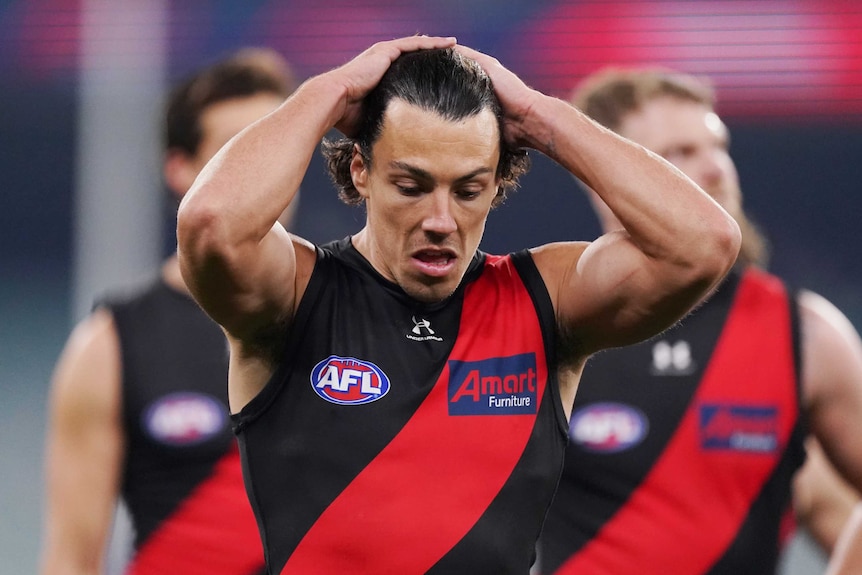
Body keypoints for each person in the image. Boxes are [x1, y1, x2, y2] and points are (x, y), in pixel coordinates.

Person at [175, 35, 740, 574]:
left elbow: (703, 244)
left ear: (497, 185)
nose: (440, 221)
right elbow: (210, 224)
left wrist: (544, 120)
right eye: (412, 186)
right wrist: (331, 95)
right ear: (360, 170)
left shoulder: (546, 301)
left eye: (468, 190)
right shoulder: (295, 295)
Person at [537, 67, 862, 575]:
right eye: (680, 154)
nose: (715, 169)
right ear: (605, 181)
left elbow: (829, 506)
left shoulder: (805, 332)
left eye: (718, 146)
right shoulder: (551, 322)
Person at [39, 47, 298, 575]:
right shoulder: (110, 344)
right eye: (236, 151)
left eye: (279, 149)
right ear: (180, 169)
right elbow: (71, 560)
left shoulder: (357, 313)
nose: (267, 173)